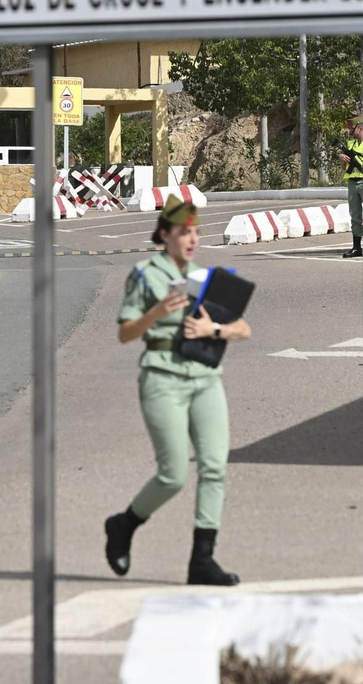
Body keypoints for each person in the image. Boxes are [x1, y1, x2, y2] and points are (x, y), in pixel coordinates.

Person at [104, 196, 252, 586]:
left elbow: (243, 329)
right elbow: (125, 333)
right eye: (184, 232)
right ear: (165, 235)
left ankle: (202, 560)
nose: (192, 239)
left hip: (204, 377)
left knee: (215, 466)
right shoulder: (143, 275)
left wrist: (213, 330)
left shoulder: (205, 278)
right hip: (162, 376)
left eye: (196, 232)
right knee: (172, 475)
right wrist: (156, 313)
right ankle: (124, 525)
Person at [339, 117, 363, 258]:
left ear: (360, 128)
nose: (350, 130)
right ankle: (357, 247)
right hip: (352, 183)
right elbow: (344, 167)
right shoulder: (350, 144)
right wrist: (342, 160)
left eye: (352, 128)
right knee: (355, 216)